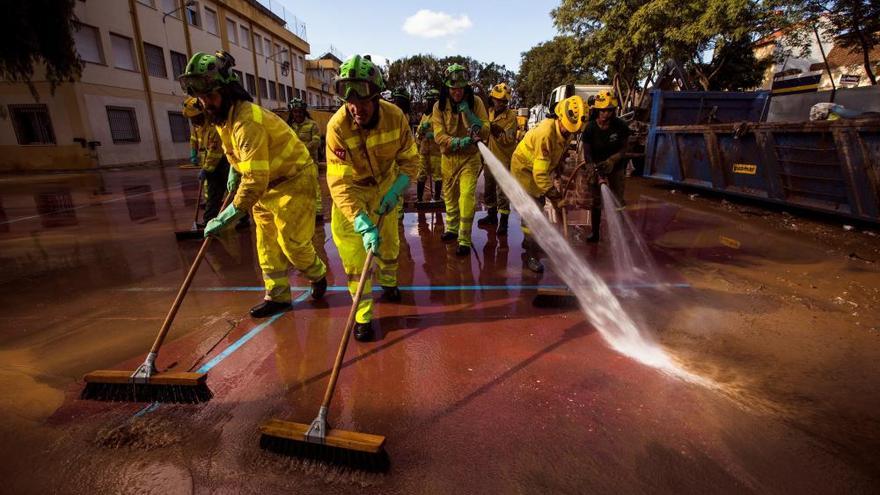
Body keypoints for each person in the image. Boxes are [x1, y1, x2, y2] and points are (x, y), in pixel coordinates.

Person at [178, 50, 327, 318]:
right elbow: (237, 154)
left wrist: (227, 216)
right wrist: (235, 170)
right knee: (267, 245)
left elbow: (255, 180)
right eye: (202, 98)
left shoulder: (247, 121)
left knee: (291, 243)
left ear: (227, 91)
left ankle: (317, 274)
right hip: (266, 186)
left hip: (292, 180)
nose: (207, 103)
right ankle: (278, 295)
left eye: (211, 96)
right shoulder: (225, 119)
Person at [325, 55, 419, 342]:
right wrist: (360, 220)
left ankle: (389, 282)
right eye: (348, 100)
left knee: (389, 244)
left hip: (385, 186)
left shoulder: (395, 117)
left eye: (363, 99)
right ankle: (363, 314)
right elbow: (338, 181)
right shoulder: (336, 128)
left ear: (377, 95)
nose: (356, 107)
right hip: (351, 194)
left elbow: (410, 162)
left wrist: (395, 190)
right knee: (355, 259)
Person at [511, 95, 587, 272]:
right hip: (525, 170)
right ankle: (531, 254)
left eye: (572, 131)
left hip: (537, 168)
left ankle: (529, 243)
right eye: (567, 128)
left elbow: (559, 151)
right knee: (534, 212)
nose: (569, 132)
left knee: (536, 208)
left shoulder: (566, 130)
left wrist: (559, 165)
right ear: (559, 117)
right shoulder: (545, 134)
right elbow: (540, 175)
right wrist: (555, 196)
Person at [431, 63, 490, 256]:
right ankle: (452, 229)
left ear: (466, 87)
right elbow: (439, 136)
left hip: (469, 159)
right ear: (447, 87)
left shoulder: (476, 103)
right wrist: (459, 141)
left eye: (461, 88)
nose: (457, 91)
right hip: (448, 159)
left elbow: (486, 129)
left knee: (466, 197)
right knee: (450, 198)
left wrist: (469, 114)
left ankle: (464, 239)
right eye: (453, 87)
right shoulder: (438, 107)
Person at [581, 90, 630, 243]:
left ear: (614, 111)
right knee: (596, 201)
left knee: (618, 200)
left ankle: (620, 235)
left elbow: (624, 149)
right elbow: (587, 151)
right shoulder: (590, 128)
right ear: (597, 110)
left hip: (616, 166)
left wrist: (612, 160)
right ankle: (595, 233)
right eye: (602, 110)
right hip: (595, 165)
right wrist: (591, 167)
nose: (605, 114)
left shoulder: (620, 126)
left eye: (609, 110)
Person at [476, 82, 518, 236]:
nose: (499, 103)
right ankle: (492, 216)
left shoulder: (511, 117)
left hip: (503, 161)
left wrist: (494, 129)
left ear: (507, 102)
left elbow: (508, 139)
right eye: (497, 100)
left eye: (503, 101)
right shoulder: (489, 112)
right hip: (488, 159)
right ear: (492, 99)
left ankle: (504, 222)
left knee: (503, 193)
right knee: (489, 191)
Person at [183, 97, 229, 223]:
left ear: (202, 114)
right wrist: (193, 153)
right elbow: (194, 140)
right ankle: (209, 221)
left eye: (194, 117)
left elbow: (215, 152)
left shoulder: (214, 127)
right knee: (213, 194)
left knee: (231, 191)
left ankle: (242, 218)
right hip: (209, 164)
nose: (192, 121)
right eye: (191, 118)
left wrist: (206, 169)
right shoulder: (198, 127)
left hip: (222, 163)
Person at [286, 97, 324, 221]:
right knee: (297, 188)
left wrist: (302, 150)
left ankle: (318, 212)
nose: (297, 114)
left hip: (311, 162)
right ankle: (302, 211)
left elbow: (316, 141)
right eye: (295, 112)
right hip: (294, 164)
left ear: (304, 112)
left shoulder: (312, 125)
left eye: (299, 111)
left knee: (314, 187)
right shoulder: (289, 126)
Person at [415, 88, 442, 203]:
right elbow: (418, 134)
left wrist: (434, 135)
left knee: (438, 176)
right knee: (421, 175)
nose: (429, 103)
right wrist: (421, 129)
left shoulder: (440, 115)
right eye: (428, 100)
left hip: (436, 151)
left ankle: (436, 198)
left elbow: (445, 132)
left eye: (431, 101)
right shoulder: (425, 116)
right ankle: (419, 199)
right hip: (424, 151)